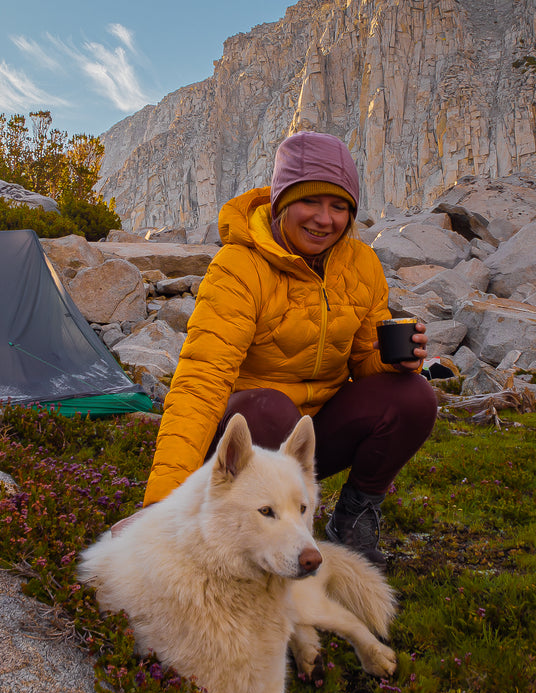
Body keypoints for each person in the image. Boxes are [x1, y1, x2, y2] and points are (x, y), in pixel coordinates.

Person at [138, 130, 437, 567]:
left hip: (309, 439)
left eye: (339, 207)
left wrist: (393, 362)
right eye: (310, 202)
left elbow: (362, 363)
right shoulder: (239, 267)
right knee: (268, 409)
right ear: (280, 202)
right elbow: (200, 384)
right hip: (247, 436)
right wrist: (160, 507)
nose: (324, 219)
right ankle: (253, 528)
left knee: (414, 396)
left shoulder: (362, 265)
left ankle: (352, 522)